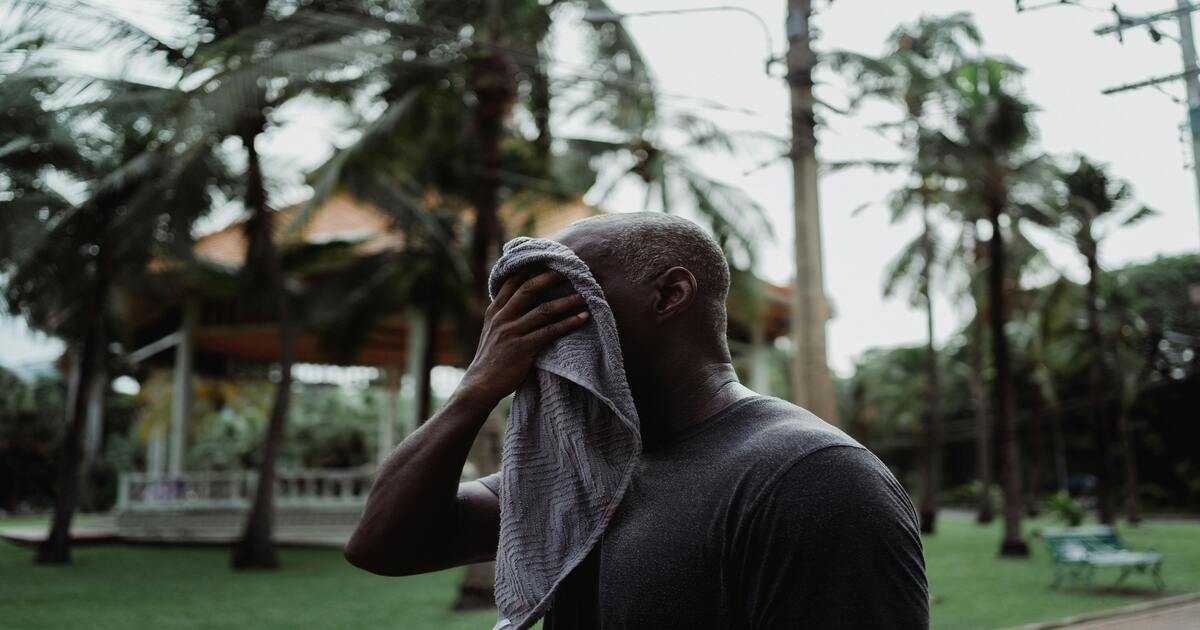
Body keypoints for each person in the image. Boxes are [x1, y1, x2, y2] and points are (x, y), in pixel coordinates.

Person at [345, 213, 929, 629]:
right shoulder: (582, 469)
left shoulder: (810, 477)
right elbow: (384, 547)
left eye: (561, 290)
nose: (523, 321)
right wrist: (477, 386)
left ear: (670, 294)